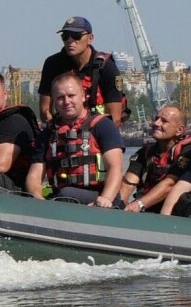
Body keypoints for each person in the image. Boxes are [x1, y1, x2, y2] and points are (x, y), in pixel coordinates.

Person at [23, 71, 124, 207]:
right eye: (60, 97)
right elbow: (34, 176)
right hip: (63, 197)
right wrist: (38, 199)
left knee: (66, 194)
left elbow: (115, 168)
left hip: (101, 197)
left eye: (71, 96)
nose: (66, 102)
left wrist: (105, 199)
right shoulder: (48, 133)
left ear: (82, 96)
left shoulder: (103, 126)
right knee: (63, 194)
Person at [36, 16, 126, 126]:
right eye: (65, 36)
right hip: (63, 131)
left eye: (76, 36)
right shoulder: (53, 64)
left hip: (97, 131)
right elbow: (45, 110)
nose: (70, 40)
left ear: (90, 38)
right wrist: (56, 130)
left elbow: (115, 118)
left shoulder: (107, 67)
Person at [121, 104, 191, 213]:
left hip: (175, 216)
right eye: (156, 119)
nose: (156, 123)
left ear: (179, 130)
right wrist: (117, 205)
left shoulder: (190, 152)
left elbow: (169, 184)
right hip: (146, 211)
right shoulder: (144, 153)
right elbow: (128, 184)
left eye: (164, 121)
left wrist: (139, 204)